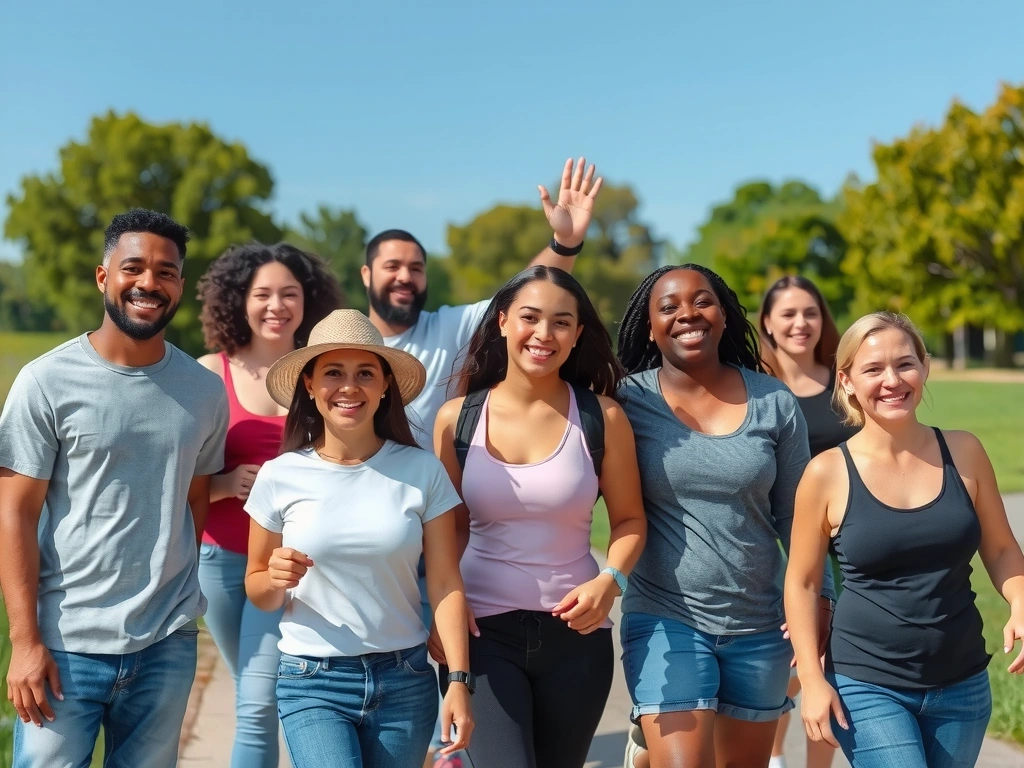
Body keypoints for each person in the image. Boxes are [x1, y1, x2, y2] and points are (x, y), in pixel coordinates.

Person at [362, 157, 603, 768]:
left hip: (455, 544)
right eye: (392, 266)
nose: (404, 277)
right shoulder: (345, 347)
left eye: (415, 267)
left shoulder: (451, 328)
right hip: (380, 537)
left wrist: (564, 242)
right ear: (366, 274)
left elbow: (532, 303)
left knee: (458, 701)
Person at [0, 209, 229, 768]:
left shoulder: (203, 391)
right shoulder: (45, 381)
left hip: (167, 641)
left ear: (179, 285)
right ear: (104, 277)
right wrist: (25, 641)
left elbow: (194, 499)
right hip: (65, 643)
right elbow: (14, 514)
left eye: (166, 272)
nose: (150, 283)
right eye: (134, 268)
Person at [615, 264, 835, 768]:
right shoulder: (628, 401)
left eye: (702, 301)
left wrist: (821, 596)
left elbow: (796, 516)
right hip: (665, 617)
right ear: (650, 327)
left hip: (760, 625)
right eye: (668, 307)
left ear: (724, 315)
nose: (687, 314)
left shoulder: (773, 400)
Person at [784, 312, 1024, 768]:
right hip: (866, 682)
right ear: (847, 381)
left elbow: (1001, 548)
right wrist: (813, 682)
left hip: (963, 682)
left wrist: (1020, 600)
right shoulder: (826, 473)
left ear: (925, 367)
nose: (892, 380)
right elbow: (801, 583)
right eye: (873, 369)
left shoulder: (965, 452)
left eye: (905, 364)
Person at [431, 266, 647, 768]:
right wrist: (441, 608)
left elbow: (630, 521)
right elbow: (448, 533)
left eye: (561, 322)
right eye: (530, 317)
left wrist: (610, 580)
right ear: (503, 321)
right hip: (481, 634)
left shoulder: (603, 418)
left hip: (577, 638)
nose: (543, 334)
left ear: (577, 335)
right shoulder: (456, 419)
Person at [243, 309, 474, 767]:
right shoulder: (279, 476)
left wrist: (459, 680)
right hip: (312, 681)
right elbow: (258, 591)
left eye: (364, 373)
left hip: (405, 679)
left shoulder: (421, 470)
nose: (349, 387)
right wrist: (273, 578)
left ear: (385, 384)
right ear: (309, 384)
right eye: (333, 373)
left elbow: (446, 582)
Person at [194, 241, 343, 768]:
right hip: (217, 560)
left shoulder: (319, 374)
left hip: (284, 564)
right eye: (262, 294)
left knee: (258, 701)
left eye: (289, 294)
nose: (275, 305)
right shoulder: (210, 371)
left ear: (308, 302)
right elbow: (181, 476)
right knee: (251, 690)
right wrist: (225, 483)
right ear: (239, 301)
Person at [758, 275, 857, 768]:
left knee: (829, 660)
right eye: (789, 314)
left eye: (810, 312)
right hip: (779, 543)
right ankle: (773, 755)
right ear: (768, 324)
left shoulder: (846, 379)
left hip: (847, 538)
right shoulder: (752, 385)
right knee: (786, 659)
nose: (801, 323)